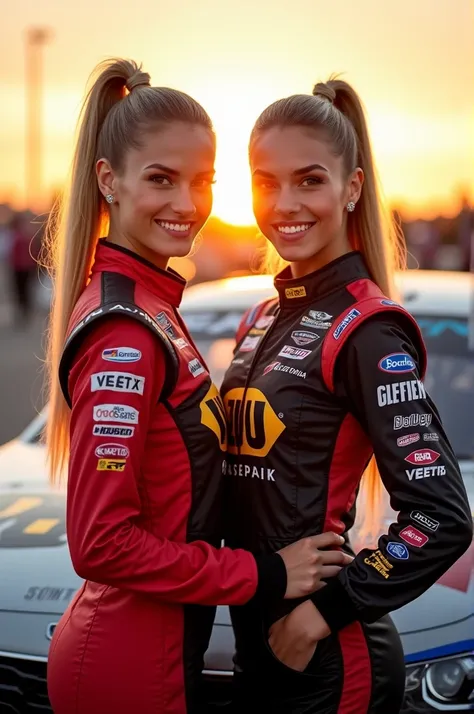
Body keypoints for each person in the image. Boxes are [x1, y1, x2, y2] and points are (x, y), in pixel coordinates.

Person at [44, 59, 351, 714]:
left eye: (202, 181)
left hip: (156, 656)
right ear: (110, 181)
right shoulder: (126, 330)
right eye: (161, 178)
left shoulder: (155, 306)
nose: (187, 205)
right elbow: (99, 543)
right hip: (125, 666)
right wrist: (263, 574)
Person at [220, 77, 473, 714]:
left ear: (351, 188)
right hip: (253, 645)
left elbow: (441, 518)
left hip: (328, 660)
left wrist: (317, 618)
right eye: (266, 181)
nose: (285, 203)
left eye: (310, 180)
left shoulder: (367, 328)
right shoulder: (259, 319)